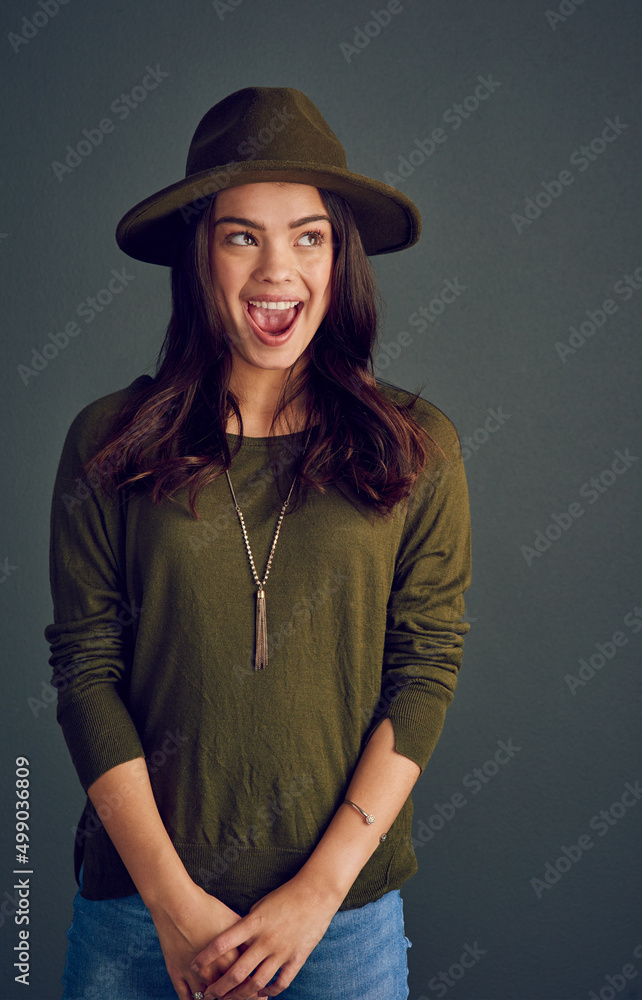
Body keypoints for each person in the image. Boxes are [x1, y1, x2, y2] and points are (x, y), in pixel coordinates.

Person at [44, 86, 472, 1000]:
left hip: (341, 925)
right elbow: (86, 669)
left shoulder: (415, 444)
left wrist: (318, 894)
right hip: (136, 916)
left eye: (307, 235)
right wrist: (171, 904)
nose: (278, 268)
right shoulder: (108, 439)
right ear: (199, 255)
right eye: (242, 235)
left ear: (339, 254)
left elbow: (425, 668)